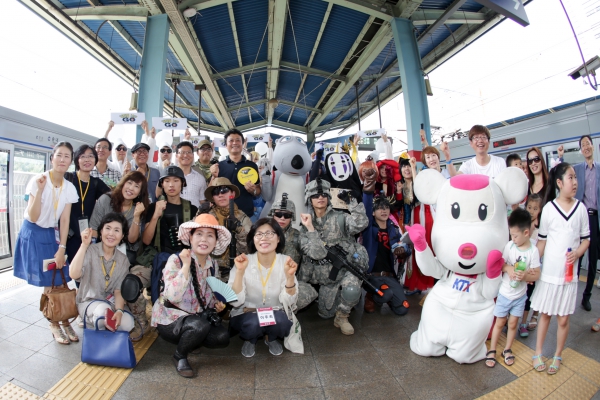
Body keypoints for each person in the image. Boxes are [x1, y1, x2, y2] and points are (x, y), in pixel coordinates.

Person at [13, 142, 79, 344]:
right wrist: (40, 191)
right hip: (33, 232)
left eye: (66, 156)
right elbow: (33, 216)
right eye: (59, 155)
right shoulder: (38, 180)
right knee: (48, 280)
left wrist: (62, 248)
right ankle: (54, 322)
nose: (62, 159)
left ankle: (63, 318)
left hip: (52, 233)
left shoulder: (69, 187)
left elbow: (65, 220)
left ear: (70, 161)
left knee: (60, 276)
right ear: (52, 158)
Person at [152, 213, 231, 377]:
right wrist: (186, 266)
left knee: (222, 337)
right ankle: (179, 356)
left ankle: (192, 340)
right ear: (191, 237)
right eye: (199, 234)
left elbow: (209, 296)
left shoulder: (213, 264)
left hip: (197, 317)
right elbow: (172, 296)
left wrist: (219, 305)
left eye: (210, 235)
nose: (204, 239)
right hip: (170, 318)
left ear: (216, 242)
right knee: (199, 326)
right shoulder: (176, 260)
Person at [531, 162, 590, 374]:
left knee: (564, 318)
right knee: (545, 313)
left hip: (568, 275)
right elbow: (542, 242)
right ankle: (537, 352)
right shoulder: (549, 209)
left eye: (575, 178)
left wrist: (578, 252)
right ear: (559, 183)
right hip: (549, 274)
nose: (575, 182)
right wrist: (531, 263)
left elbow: (586, 240)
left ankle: (557, 355)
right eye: (571, 178)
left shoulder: (581, 208)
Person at [299, 178, 369, 335]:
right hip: (326, 278)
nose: (321, 198)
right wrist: (310, 228)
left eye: (324, 194)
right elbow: (316, 254)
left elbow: (361, 223)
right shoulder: (304, 224)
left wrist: (351, 202)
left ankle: (342, 316)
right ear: (310, 199)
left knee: (351, 289)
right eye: (316, 195)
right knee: (325, 314)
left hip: (344, 270)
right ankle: (337, 300)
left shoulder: (340, 217)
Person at [228, 218, 299, 357]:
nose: (264, 238)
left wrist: (290, 277)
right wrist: (240, 272)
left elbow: (289, 303)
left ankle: (271, 338)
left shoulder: (286, 261)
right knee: (253, 323)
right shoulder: (244, 261)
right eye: (259, 234)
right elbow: (235, 302)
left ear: (278, 238)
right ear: (253, 240)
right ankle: (250, 339)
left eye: (270, 233)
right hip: (246, 314)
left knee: (282, 322)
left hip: (275, 312)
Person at [486, 209, 540, 368]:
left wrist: (525, 277)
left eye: (515, 235)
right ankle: (492, 349)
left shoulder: (533, 251)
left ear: (526, 233)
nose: (513, 238)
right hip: (505, 293)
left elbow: (536, 274)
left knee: (513, 323)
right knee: (500, 322)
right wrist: (509, 268)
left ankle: (507, 349)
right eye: (511, 235)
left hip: (520, 296)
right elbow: (500, 265)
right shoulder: (509, 246)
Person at [70, 214, 134, 334]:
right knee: (102, 314)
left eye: (116, 230)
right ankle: (97, 344)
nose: (111, 234)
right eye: (108, 228)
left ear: (122, 236)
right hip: (88, 301)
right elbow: (73, 274)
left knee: (128, 323)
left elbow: (118, 290)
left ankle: (109, 347)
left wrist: (119, 310)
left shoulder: (123, 260)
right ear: (101, 231)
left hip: (111, 303)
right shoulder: (90, 250)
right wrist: (83, 245)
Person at [361, 169, 410, 316]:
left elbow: (406, 247)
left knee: (402, 308)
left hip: (389, 275)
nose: (384, 211)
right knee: (386, 294)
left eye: (386, 208)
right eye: (379, 209)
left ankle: (388, 296)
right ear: (373, 212)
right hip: (372, 275)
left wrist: (404, 251)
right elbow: (366, 206)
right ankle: (372, 295)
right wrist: (368, 186)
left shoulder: (394, 229)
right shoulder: (368, 228)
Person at [64, 145, 110, 274]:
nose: (87, 159)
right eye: (82, 156)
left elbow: (113, 197)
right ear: (77, 160)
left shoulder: (95, 183)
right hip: (69, 234)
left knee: (88, 270)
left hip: (88, 235)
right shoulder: (68, 178)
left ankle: (83, 293)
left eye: (90, 156)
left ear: (95, 160)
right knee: (74, 270)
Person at [268, 194, 318, 310]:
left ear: (292, 217)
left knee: (308, 291)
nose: (282, 218)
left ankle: (285, 311)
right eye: (278, 214)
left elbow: (316, 253)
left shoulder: (297, 236)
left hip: (287, 282)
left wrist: (310, 229)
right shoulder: (262, 232)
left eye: (287, 215)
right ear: (273, 215)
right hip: (263, 281)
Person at [90, 171, 149, 265]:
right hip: (101, 249)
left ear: (140, 192)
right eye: (129, 183)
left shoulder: (137, 208)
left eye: (136, 186)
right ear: (123, 183)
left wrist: (137, 216)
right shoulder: (106, 200)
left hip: (125, 255)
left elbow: (132, 239)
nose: (131, 188)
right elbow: (93, 228)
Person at [143, 166, 198, 254]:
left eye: (176, 181)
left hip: (185, 259)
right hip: (160, 260)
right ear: (162, 184)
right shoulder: (154, 207)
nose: (171, 185)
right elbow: (146, 240)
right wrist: (155, 215)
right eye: (167, 181)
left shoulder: (192, 209)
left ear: (182, 183)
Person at [205, 177, 252, 281]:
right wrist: (199, 214)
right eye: (216, 192)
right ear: (212, 197)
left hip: (236, 272)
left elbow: (249, 250)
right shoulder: (208, 216)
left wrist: (239, 230)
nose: (220, 195)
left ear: (233, 194)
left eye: (224, 190)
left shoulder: (243, 218)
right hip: (210, 272)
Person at [573, 135, 600, 311]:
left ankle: (587, 296)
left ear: (593, 146)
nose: (586, 147)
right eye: (583, 145)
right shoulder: (577, 169)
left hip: (596, 218)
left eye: (588, 144)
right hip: (582, 218)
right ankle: (571, 293)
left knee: (592, 261)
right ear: (581, 150)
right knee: (577, 256)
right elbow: (559, 173)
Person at [210, 129, 261, 218]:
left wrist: (254, 190)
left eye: (238, 140)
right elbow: (210, 191)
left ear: (242, 144)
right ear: (226, 145)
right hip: (222, 216)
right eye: (231, 140)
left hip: (246, 215)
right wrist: (214, 177)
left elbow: (258, 190)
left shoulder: (252, 165)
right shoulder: (219, 166)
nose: (235, 143)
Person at [520, 193, 543, 336]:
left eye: (535, 208)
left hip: (532, 269)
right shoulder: (523, 226)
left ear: (540, 210)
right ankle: (512, 319)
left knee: (528, 297)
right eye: (529, 207)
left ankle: (523, 323)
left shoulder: (541, 229)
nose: (532, 211)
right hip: (521, 266)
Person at [174, 141, 207, 208]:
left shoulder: (200, 178)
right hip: (174, 216)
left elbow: (202, 201)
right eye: (182, 152)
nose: (186, 155)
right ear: (177, 156)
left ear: (193, 155)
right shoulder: (169, 177)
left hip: (195, 217)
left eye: (189, 152)